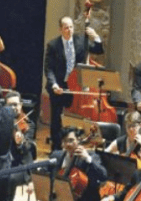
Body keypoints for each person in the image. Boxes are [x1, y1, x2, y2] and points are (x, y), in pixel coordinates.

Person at [44, 16, 103, 150]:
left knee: (75, 119)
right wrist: (54, 84)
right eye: (66, 28)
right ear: (60, 29)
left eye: (71, 27)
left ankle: (74, 147)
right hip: (59, 86)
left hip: (75, 86)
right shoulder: (53, 45)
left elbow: (98, 50)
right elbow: (49, 69)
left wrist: (96, 37)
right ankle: (56, 149)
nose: (69, 30)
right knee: (57, 120)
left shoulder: (81, 41)